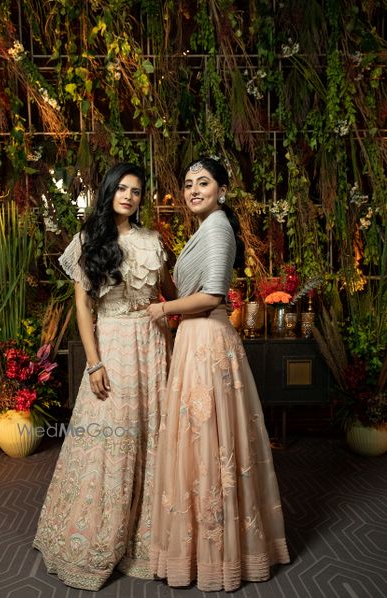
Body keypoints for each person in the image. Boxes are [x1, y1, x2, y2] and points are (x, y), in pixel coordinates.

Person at [147, 157, 290, 592]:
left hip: (207, 342)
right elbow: (192, 289)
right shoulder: (203, 230)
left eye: (203, 182)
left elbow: (211, 295)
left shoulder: (218, 228)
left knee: (209, 444)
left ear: (222, 190)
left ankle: (217, 555)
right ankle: (195, 552)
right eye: (188, 183)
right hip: (195, 340)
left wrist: (163, 309)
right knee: (199, 443)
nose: (193, 190)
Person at [33, 162, 175, 590]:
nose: (130, 196)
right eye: (123, 189)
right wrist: (94, 362)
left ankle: (147, 537)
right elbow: (83, 310)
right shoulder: (87, 242)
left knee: (153, 437)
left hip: (152, 345)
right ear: (109, 190)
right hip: (111, 346)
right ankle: (96, 537)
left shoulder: (152, 241)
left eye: (137, 191)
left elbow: (170, 291)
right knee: (110, 438)